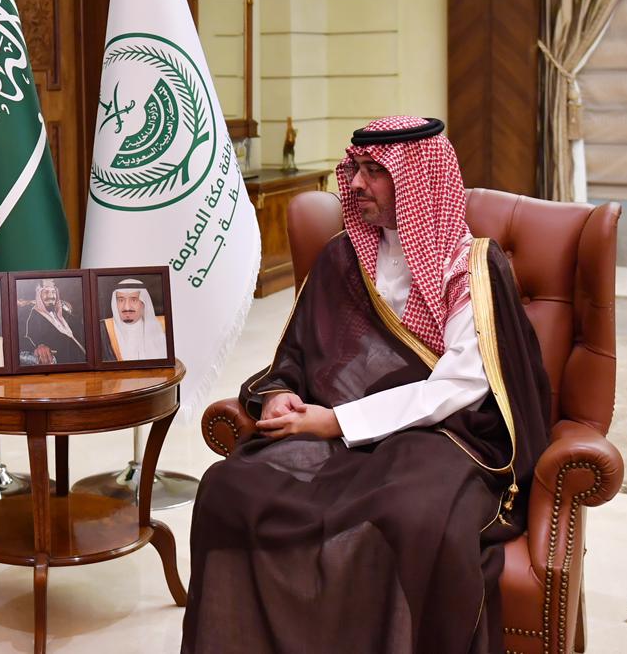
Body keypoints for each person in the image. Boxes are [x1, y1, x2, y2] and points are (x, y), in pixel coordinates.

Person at [181, 116, 551, 654]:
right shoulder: (343, 257)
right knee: (228, 488)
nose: (355, 184)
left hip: (438, 437)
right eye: (354, 168)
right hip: (336, 434)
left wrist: (336, 421)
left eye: (375, 171)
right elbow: (298, 352)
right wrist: (281, 393)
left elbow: (458, 385)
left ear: (418, 179)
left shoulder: (469, 266)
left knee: (410, 517)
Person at [18, 279, 86, 366]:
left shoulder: (65, 315)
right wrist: (39, 347)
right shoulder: (31, 316)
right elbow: (24, 338)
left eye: (53, 292)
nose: (51, 296)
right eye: (46, 292)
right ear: (38, 294)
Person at [100, 278, 167, 361]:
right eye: (121, 300)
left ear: (143, 303)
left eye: (134, 300)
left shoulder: (163, 326)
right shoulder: (102, 330)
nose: (127, 307)